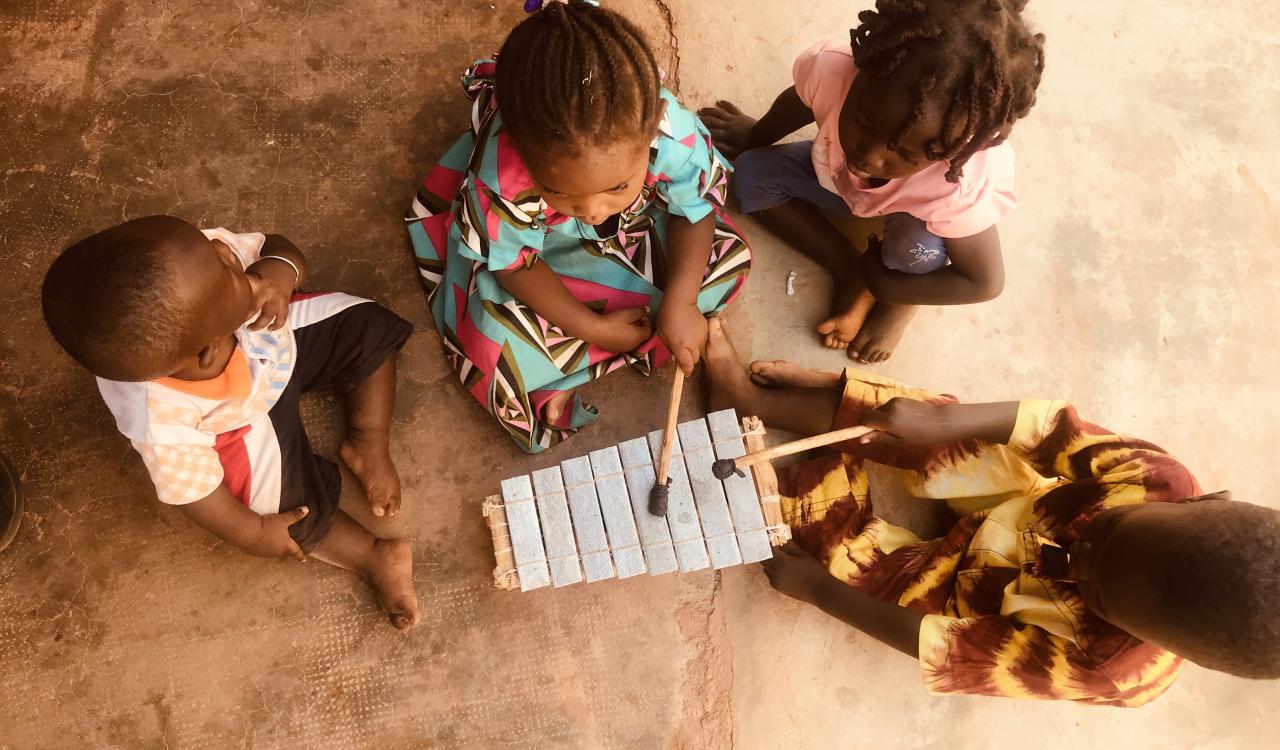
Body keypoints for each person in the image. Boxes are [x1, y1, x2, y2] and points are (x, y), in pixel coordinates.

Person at [701, 318, 1280, 704]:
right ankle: (753, 401)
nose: (1079, 556)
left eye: (1095, 592)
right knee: (933, 421)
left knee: (841, 561)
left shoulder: (1115, 671)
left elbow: (949, 648)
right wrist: (940, 426)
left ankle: (822, 427)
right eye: (1107, 530)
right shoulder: (1161, 480)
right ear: (1201, 500)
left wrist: (818, 593)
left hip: (961, 589)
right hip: (1016, 500)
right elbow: (1049, 428)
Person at [41, 215, 420, 631]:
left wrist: (277, 273)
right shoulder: (160, 420)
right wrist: (255, 533)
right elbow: (198, 495)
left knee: (365, 321)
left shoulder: (195, 264)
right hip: (236, 422)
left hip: (276, 340)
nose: (227, 252)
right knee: (279, 513)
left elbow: (276, 245)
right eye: (234, 276)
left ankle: (367, 440)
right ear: (210, 351)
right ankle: (372, 554)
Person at [405, 0, 751, 453]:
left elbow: (695, 207)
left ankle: (582, 360)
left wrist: (682, 301)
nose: (590, 210)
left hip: (638, 227)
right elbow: (514, 266)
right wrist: (596, 329)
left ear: (650, 135)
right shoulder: (501, 179)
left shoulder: (669, 134)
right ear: (523, 154)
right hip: (538, 257)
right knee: (492, 353)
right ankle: (597, 354)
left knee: (727, 262)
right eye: (559, 191)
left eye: (615, 186)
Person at [700, 0, 1045, 363]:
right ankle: (851, 269)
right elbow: (797, 103)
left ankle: (900, 303)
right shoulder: (834, 70)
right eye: (864, 121)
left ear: (949, 151)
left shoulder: (957, 186)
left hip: (916, 214)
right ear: (861, 71)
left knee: (916, 246)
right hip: (835, 178)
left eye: (906, 154)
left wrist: (891, 288)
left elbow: (984, 281)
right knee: (750, 174)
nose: (870, 156)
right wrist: (755, 134)